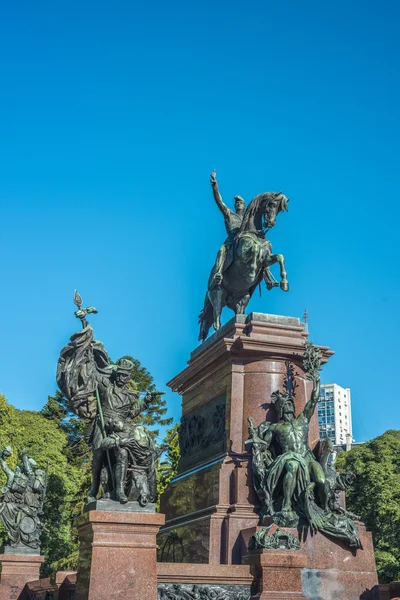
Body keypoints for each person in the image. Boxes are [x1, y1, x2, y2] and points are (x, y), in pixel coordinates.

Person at [210, 170, 246, 285]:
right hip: (231, 242)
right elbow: (219, 201)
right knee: (222, 250)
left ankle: (267, 277)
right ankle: (219, 272)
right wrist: (215, 185)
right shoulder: (229, 213)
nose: (238, 204)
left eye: (240, 203)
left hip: (243, 243)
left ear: (244, 206)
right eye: (236, 203)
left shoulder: (247, 220)